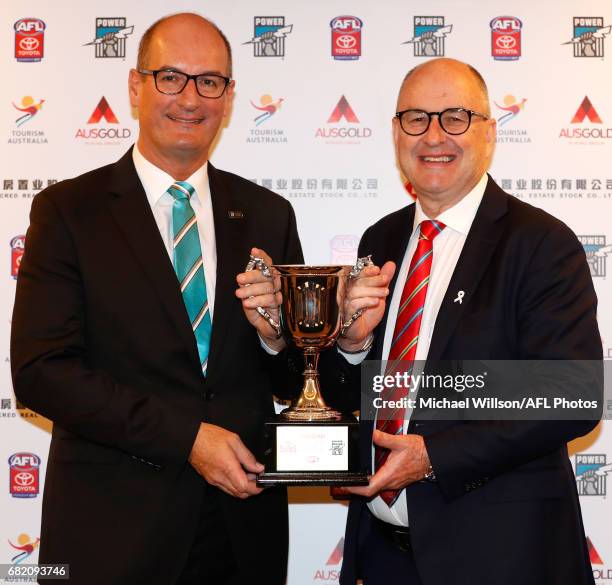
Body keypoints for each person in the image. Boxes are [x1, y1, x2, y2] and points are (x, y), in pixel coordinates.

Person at [11, 13, 302, 585]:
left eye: (210, 81)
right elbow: (42, 372)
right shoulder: (69, 212)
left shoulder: (269, 214)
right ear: (135, 87)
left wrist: (274, 340)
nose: (190, 98)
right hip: (113, 533)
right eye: (170, 77)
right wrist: (187, 438)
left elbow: (295, 382)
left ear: (229, 95)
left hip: (241, 532)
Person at [325, 58, 601, 585]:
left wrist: (433, 457)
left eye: (455, 117)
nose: (433, 135)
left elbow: (574, 395)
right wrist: (354, 348)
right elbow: (363, 396)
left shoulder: (541, 243)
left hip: (501, 559)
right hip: (382, 556)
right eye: (416, 118)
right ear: (395, 132)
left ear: (489, 132)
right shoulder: (377, 241)